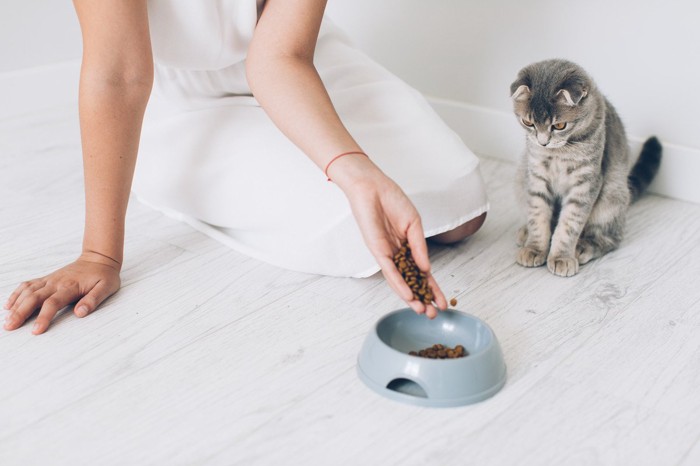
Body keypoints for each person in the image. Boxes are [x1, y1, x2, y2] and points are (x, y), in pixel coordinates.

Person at [3, 0, 488, 335]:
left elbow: (279, 57)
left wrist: (356, 171)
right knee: (348, 230)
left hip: (300, 67)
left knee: (461, 203)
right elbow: (120, 74)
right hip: (183, 100)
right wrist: (98, 255)